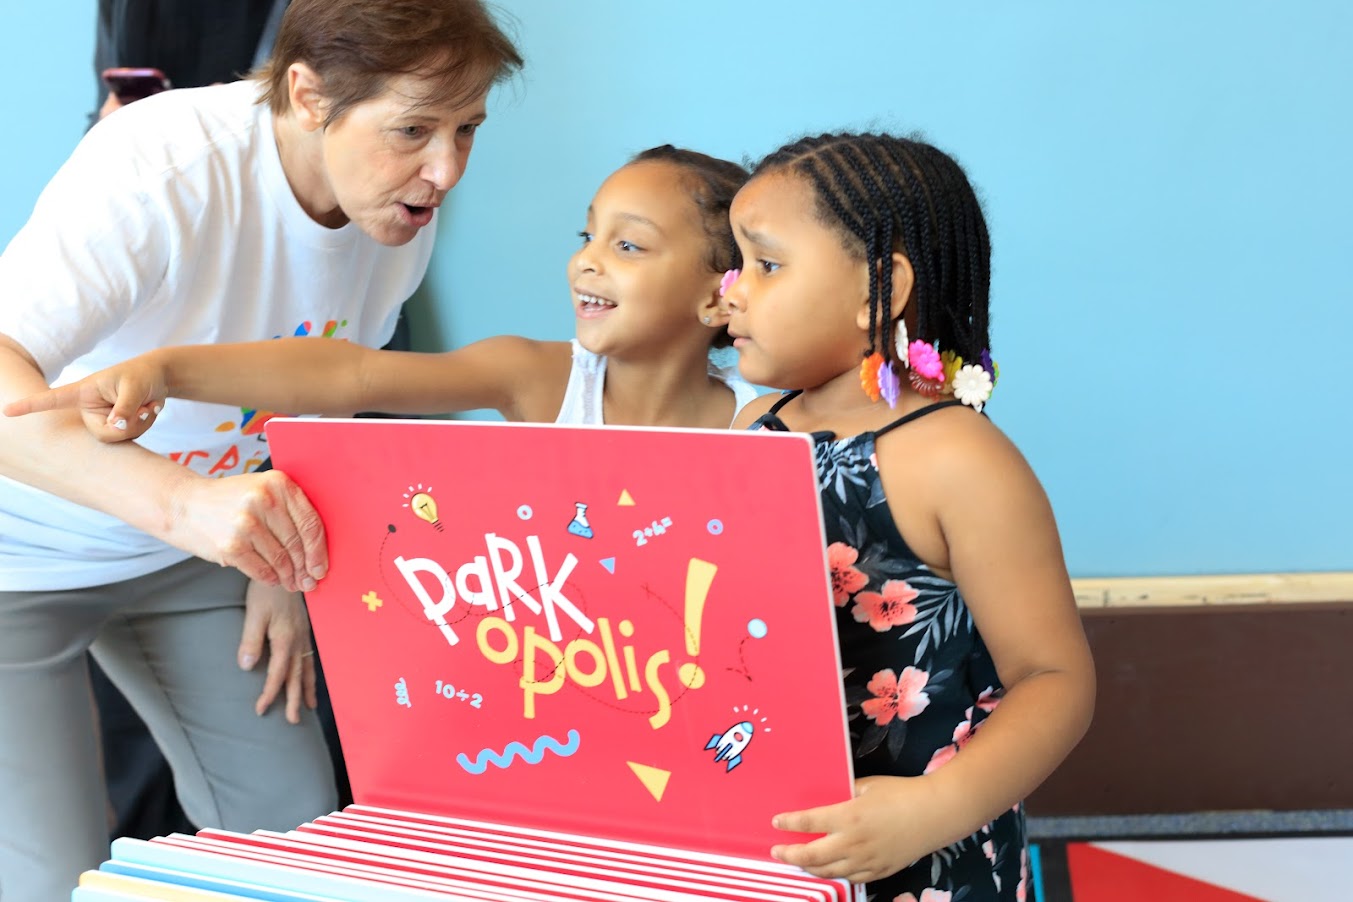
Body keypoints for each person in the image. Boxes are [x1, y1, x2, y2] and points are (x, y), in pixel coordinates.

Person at [0, 0, 522, 897]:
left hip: (196, 555)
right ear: (308, 94)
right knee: (55, 879)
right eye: (413, 129)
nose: (445, 169)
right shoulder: (164, 165)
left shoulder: (399, 204)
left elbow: (320, 389)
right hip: (20, 557)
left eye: (466, 129)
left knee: (308, 851)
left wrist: (275, 562)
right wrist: (184, 505)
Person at [721, 133, 1096, 900]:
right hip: (778, 840)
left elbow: (1054, 678)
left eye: (765, 264)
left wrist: (935, 809)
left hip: (920, 858)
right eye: (736, 262)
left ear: (878, 290)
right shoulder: (755, 424)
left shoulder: (955, 458)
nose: (730, 289)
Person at [5, 145, 758, 432]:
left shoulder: (762, 425)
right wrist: (170, 368)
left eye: (626, 246)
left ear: (717, 297)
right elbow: (349, 372)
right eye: (585, 237)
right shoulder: (543, 379)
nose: (586, 262)